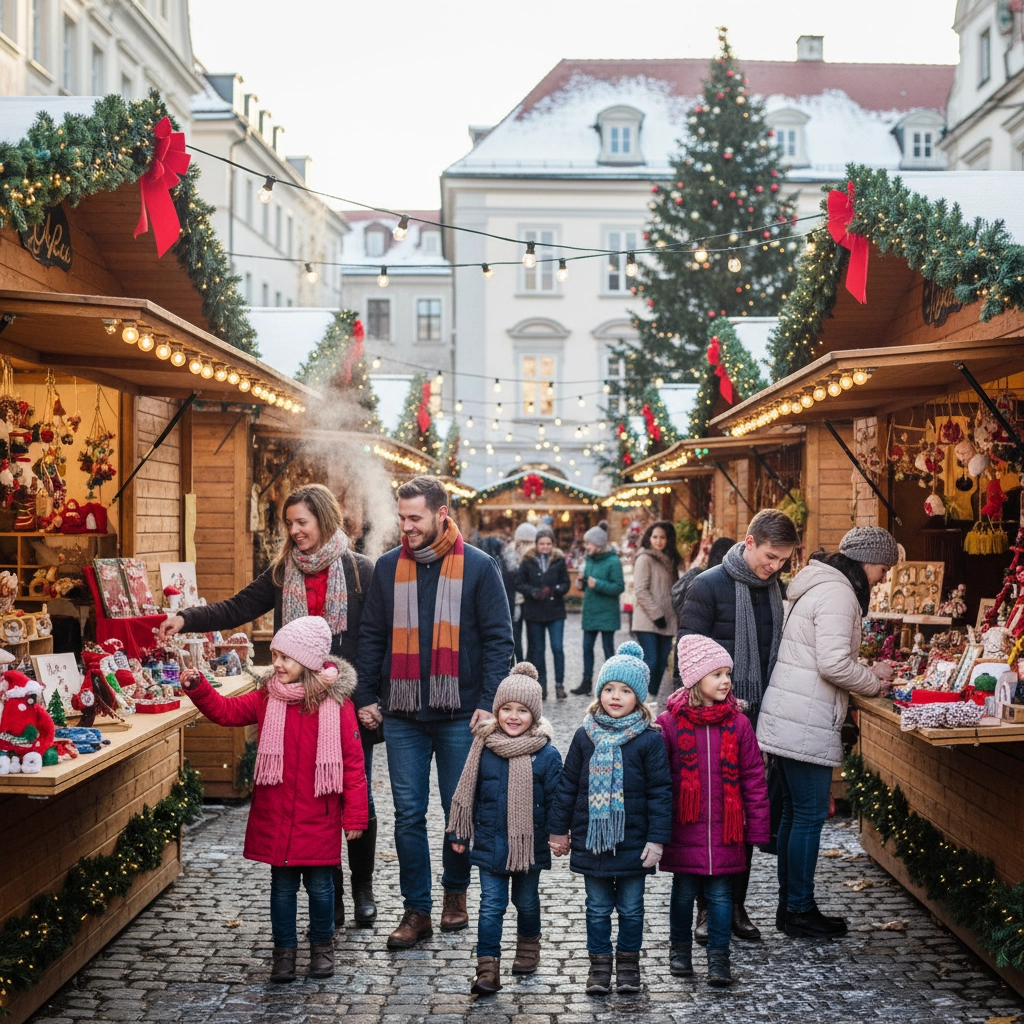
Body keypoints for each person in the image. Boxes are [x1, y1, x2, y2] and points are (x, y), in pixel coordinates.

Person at [158, 484, 379, 927]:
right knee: (313, 795)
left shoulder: (360, 572)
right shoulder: (282, 573)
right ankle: (329, 896)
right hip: (294, 702)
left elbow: (377, 641)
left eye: (303, 522)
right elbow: (237, 607)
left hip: (345, 701)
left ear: (323, 519)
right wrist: (186, 619)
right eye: (290, 524)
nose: (295, 531)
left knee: (354, 795)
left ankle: (362, 886)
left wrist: (372, 698)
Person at [354, 476, 514, 949]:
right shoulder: (387, 568)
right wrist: (365, 694)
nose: (406, 527)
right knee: (407, 814)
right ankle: (416, 909)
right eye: (402, 518)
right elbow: (371, 638)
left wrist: (487, 702)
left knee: (456, 811)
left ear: (441, 513)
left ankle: (455, 894)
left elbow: (498, 640)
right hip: (402, 713)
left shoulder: (480, 568)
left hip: (459, 712)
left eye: (415, 518)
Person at [179, 617, 367, 983]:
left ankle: (322, 948)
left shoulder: (336, 705)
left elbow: (353, 763)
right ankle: (283, 952)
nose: (276, 664)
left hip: (319, 812)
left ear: (309, 662)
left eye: (285, 658)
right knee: (281, 889)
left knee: (321, 888)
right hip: (277, 812)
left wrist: (356, 817)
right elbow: (228, 712)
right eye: (275, 655)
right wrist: (200, 688)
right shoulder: (269, 697)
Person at [756, 527, 897, 938]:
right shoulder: (838, 594)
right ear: (867, 560)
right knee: (808, 816)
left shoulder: (821, 585)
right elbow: (834, 664)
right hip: (804, 718)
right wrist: (874, 678)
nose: (882, 579)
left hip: (793, 714)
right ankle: (798, 908)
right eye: (883, 569)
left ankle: (791, 907)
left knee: (796, 815)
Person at [677, 508, 797, 942]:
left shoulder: (772, 590)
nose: (774, 566)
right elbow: (687, 655)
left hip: (758, 721)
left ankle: (737, 905)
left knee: (743, 817)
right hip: (711, 720)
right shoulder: (706, 585)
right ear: (749, 542)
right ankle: (707, 911)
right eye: (770, 557)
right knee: (710, 818)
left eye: (782, 561)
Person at [548, 641, 672, 995]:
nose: (615, 696)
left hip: (634, 843)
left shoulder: (649, 740)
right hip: (592, 841)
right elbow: (567, 786)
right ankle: (599, 966)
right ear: (600, 692)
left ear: (639, 697)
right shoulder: (584, 736)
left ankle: (629, 966)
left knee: (632, 909)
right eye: (608, 688)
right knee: (597, 908)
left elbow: (661, 791)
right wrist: (558, 831)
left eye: (625, 690)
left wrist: (657, 838)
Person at [658, 635, 770, 987]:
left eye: (727, 674)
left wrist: (758, 829)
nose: (726, 681)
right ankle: (679, 949)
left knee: (722, 896)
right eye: (716, 674)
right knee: (683, 894)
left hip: (727, 831)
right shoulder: (670, 724)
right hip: (684, 828)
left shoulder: (738, 724)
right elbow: (658, 781)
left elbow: (754, 777)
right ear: (694, 680)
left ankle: (719, 958)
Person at [446, 662, 562, 995]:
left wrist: (558, 834)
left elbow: (557, 800)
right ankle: (487, 968)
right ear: (496, 711)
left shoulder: (547, 755)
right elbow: (466, 795)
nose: (513, 716)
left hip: (530, 848)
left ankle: (528, 946)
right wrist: (459, 835)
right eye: (506, 709)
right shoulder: (483, 749)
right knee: (490, 906)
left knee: (526, 903)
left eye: (522, 710)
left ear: (535, 716)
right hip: (489, 846)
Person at [517, 525, 571, 700]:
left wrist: (555, 590)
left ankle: (559, 685)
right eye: (542, 543)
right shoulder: (527, 560)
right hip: (534, 612)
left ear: (552, 544)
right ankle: (542, 686)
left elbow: (566, 583)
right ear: (536, 544)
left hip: (555, 611)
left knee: (557, 648)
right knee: (538, 650)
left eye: (548, 543)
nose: (545, 547)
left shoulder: (559, 560)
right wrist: (533, 591)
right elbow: (520, 583)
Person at [570, 526, 625, 696]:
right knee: (587, 648)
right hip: (590, 612)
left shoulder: (613, 561)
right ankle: (586, 683)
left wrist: (598, 584)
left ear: (599, 544)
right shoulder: (589, 559)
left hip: (607, 613)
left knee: (608, 649)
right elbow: (587, 582)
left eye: (589, 543)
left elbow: (619, 586)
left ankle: (611, 684)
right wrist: (582, 583)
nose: (586, 546)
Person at [631, 520, 681, 700]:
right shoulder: (644, 558)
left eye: (662, 537)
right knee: (650, 662)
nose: (658, 541)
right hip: (648, 621)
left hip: (667, 622)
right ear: (649, 538)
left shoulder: (669, 560)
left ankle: (653, 698)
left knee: (662, 664)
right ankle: (640, 698)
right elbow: (640, 590)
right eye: (655, 537)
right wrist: (656, 615)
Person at [511, 523, 538, 662]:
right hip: (515, 602)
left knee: (533, 637)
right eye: (523, 542)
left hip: (532, 602)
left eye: (529, 542)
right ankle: (520, 663)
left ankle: (529, 663)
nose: (525, 545)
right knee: (516, 636)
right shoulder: (510, 557)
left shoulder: (535, 558)